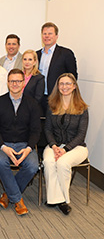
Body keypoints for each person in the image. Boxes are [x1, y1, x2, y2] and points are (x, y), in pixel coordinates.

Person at [0, 69, 40, 216]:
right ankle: (18, 200)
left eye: (18, 81)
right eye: (12, 81)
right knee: (0, 162)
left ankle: (8, 194)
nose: (15, 84)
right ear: (7, 83)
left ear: (24, 83)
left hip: (24, 144)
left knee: (32, 166)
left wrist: (28, 149)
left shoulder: (32, 104)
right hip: (2, 143)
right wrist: (4, 147)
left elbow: (36, 131)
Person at [43, 73, 88, 215]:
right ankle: (55, 198)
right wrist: (54, 146)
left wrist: (66, 149)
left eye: (68, 84)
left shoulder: (82, 108)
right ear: (58, 86)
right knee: (48, 161)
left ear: (74, 86)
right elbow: (48, 129)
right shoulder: (52, 105)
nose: (64, 87)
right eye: (61, 84)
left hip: (77, 147)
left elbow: (81, 134)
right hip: (54, 145)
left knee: (62, 163)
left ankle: (63, 200)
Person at [37, 22, 77, 112]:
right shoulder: (36, 55)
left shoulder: (66, 53)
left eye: (50, 33)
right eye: (44, 34)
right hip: (39, 98)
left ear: (56, 36)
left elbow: (73, 76)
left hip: (58, 97)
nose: (47, 36)